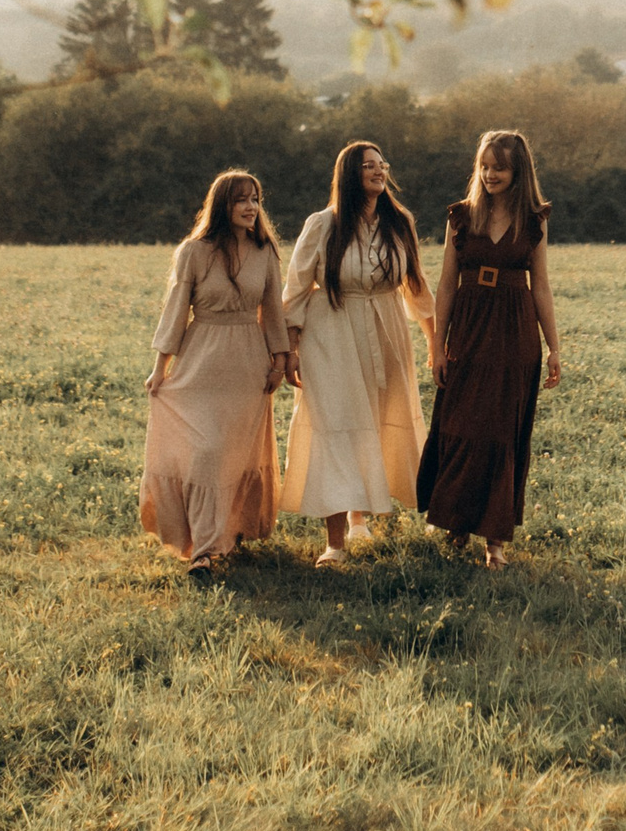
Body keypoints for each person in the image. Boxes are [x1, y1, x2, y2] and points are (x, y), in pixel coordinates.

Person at [280, 141, 434, 566]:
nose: (378, 171)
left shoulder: (399, 222)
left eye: (382, 165)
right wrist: (290, 350)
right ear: (350, 173)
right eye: (368, 166)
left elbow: (417, 286)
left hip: (386, 332)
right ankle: (335, 543)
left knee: (377, 420)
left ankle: (359, 516)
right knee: (336, 426)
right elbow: (295, 290)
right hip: (331, 333)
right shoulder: (322, 224)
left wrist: (434, 342)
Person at [417, 127, 562, 571]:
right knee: (461, 424)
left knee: (501, 433)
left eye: (499, 167)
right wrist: (438, 346)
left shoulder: (535, 220)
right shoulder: (460, 217)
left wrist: (554, 348)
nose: (490, 174)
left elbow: (541, 286)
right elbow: (446, 285)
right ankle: (456, 519)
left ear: (518, 171)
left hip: (515, 334)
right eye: (484, 166)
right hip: (469, 329)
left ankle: (494, 541)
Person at [140, 167, 291, 580]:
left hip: (248, 365)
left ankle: (230, 531)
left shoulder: (265, 251)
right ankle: (202, 551)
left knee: (235, 453)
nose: (251, 207)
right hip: (200, 362)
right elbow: (176, 310)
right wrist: (160, 369)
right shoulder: (193, 251)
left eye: (255, 199)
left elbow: (273, 311)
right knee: (205, 453)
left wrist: (280, 361)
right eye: (241, 199)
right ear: (223, 204)